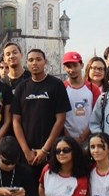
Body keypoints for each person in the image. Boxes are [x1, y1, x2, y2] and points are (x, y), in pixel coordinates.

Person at [11, 49, 70, 183]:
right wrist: (26, 150)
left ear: (45, 62)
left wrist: (45, 150)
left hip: (53, 150)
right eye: (31, 60)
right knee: (32, 193)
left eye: (38, 59)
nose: (35, 63)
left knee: (53, 189)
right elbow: (16, 121)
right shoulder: (21, 88)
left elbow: (61, 118)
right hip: (29, 152)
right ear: (27, 63)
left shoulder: (56, 85)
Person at [62, 51, 97, 145]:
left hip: (90, 139)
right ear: (64, 68)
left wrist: (83, 136)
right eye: (68, 66)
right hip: (67, 140)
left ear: (81, 65)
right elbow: (60, 116)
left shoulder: (93, 88)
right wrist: (68, 138)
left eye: (75, 65)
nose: (72, 70)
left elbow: (97, 115)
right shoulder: (61, 88)